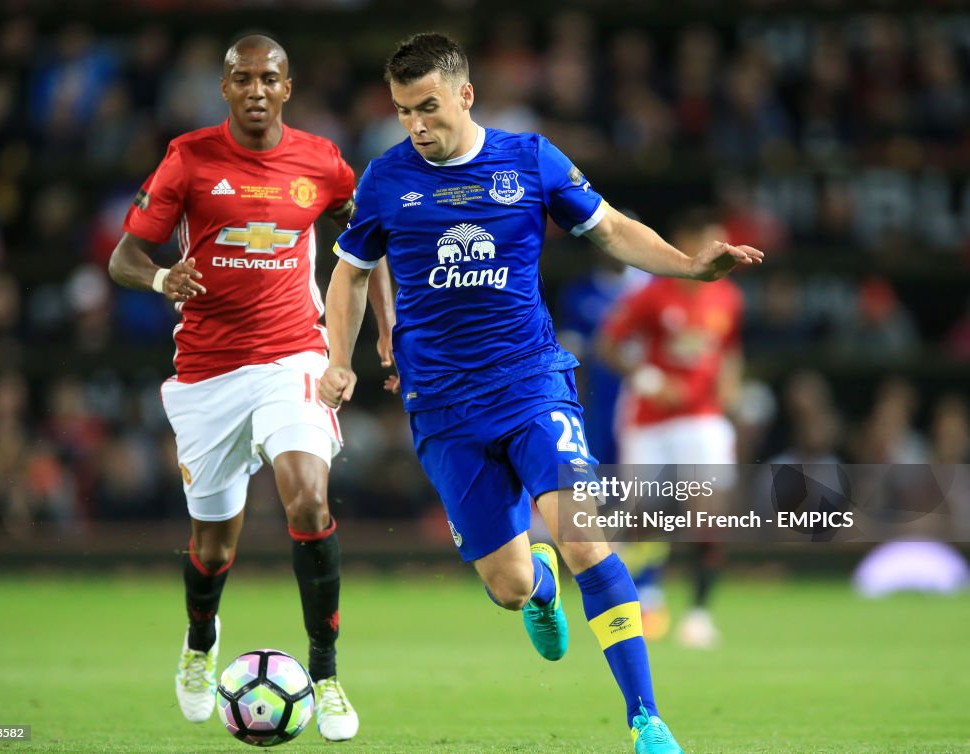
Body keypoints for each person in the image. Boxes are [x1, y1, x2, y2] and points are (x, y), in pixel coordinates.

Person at [318, 33, 762, 753]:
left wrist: (687, 267)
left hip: (531, 384)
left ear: (464, 95)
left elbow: (610, 228)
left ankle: (646, 719)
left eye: (427, 107)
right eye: (403, 111)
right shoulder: (383, 180)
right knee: (509, 585)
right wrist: (340, 359)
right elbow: (349, 273)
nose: (416, 125)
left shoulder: (529, 160)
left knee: (585, 535)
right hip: (441, 405)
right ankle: (541, 589)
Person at [107, 34, 394, 742]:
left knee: (307, 496)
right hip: (206, 373)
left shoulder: (322, 162)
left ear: (288, 88)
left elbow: (368, 247)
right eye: (243, 79)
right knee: (210, 548)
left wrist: (386, 333)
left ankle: (325, 673)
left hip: (292, 356)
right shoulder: (189, 158)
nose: (257, 89)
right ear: (226, 88)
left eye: (270, 78)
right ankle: (200, 644)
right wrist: (158, 278)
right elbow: (124, 255)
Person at [596, 208, 745, 649]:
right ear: (688, 240)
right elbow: (609, 344)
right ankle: (639, 596)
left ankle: (699, 614)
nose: (723, 256)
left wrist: (731, 388)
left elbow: (730, 350)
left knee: (708, 516)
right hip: (649, 421)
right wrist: (649, 380)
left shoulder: (728, 298)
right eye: (716, 246)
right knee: (643, 519)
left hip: (702, 419)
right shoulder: (652, 296)